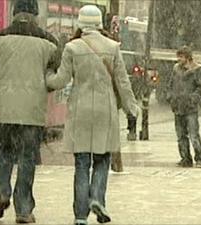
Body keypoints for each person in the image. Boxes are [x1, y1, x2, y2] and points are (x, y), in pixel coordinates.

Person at [46, 5, 139, 225]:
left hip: (80, 110)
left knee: (81, 164)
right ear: (99, 23)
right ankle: (97, 198)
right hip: (104, 111)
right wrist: (132, 109)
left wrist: (47, 77)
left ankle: (80, 216)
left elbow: (60, 81)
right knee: (102, 159)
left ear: (80, 22)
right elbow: (123, 83)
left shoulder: (72, 48)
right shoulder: (113, 47)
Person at [0, 0, 59, 223]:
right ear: (36, 14)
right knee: (27, 158)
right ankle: (23, 210)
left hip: (4, 110)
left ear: (14, 12)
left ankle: (2, 194)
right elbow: (53, 78)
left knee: (3, 153)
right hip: (32, 112)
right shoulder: (49, 43)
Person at [166, 46, 201, 168]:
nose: (179, 59)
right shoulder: (176, 69)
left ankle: (199, 158)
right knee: (181, 135)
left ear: (188, 57)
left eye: (181, 57)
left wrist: (193, 99)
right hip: (178, 106)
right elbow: (170, 84)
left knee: (194, 134)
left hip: (190, 108)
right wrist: (171, 97)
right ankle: (185, 158)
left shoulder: (198, 70)